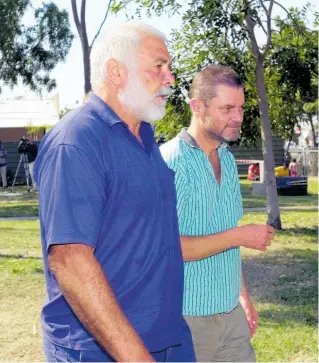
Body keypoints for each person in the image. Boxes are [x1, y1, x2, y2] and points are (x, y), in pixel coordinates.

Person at [34, 22, 195, 363]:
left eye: (170, 67)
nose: (171, 79)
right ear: (116, 71)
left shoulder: (146, 138)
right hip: (102, 351)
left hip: (170, 340)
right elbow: (70, 260)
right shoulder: (76, 141)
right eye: (159, 66)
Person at [160, 65, 274, 362]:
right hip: (186, 318)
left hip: (230, 313)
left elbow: (229, 236)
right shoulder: (170, 163)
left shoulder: (226, 157)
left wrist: (243, 297)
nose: (238, 117)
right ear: (197, 107)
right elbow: (170, 247)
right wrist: (240, 235)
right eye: (227, 109)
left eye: (240, 108)